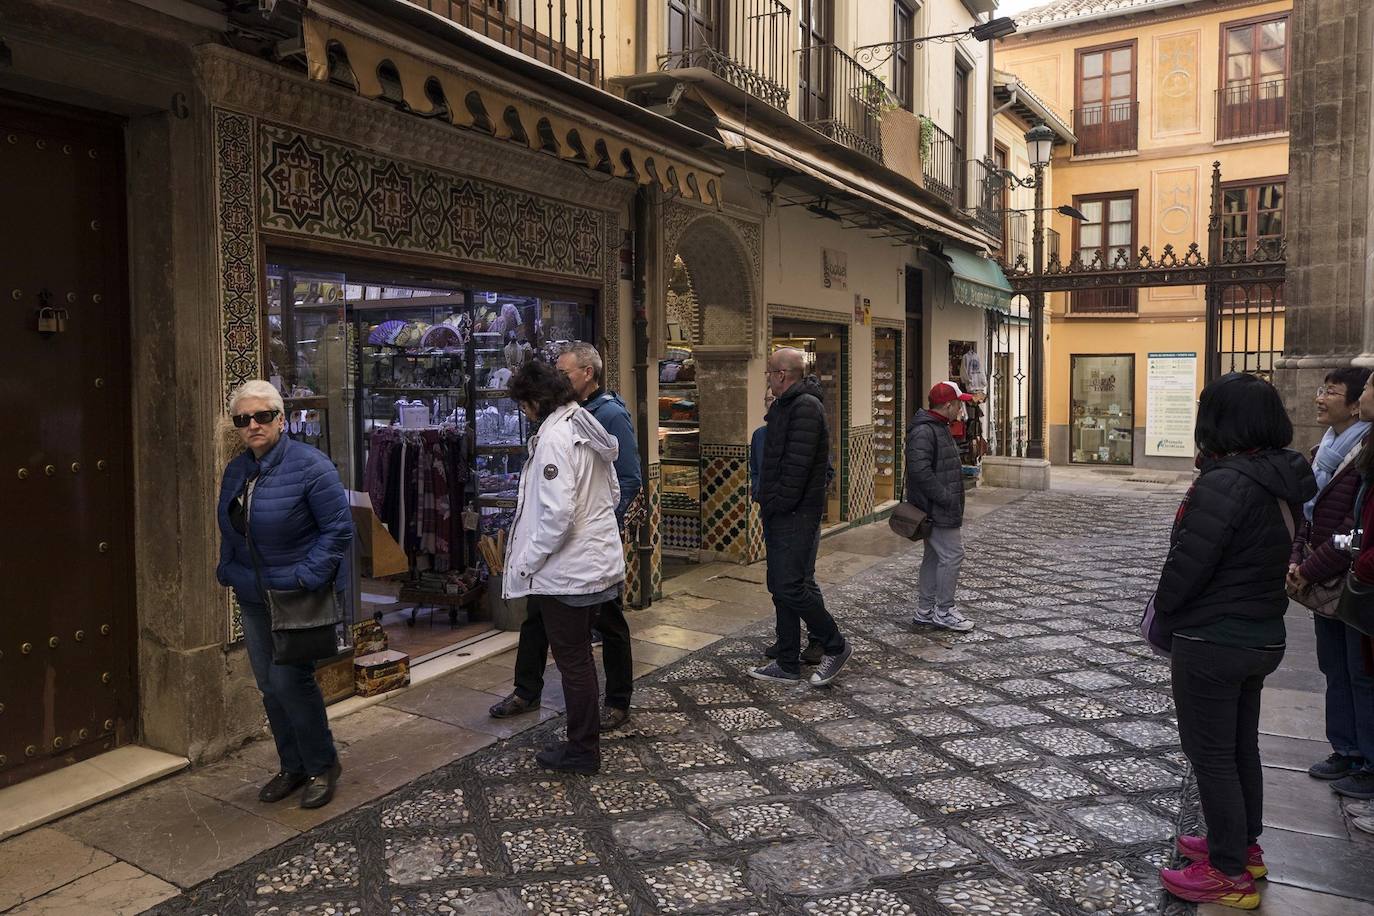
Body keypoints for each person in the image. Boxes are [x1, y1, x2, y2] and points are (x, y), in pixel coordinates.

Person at [1154, 372, 1316, 909]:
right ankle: (1242, 846)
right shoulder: (1283, 475)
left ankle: (1228, 872)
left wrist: (1166, 611)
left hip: (1214, 637)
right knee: (1240, 745)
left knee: (1212, 755)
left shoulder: (1225, 481)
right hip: (1260, 635)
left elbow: (1188, 565)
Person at [488, 344, 641, 732]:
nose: (561, 378)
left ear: (587, 373)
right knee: (539, 623)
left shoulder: (604, 416)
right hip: (563, 558)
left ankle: (613, 705)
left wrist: (599, 527)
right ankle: (527, 690)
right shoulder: (562, 422)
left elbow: (623, 481)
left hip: (580, 555)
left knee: (599, 633)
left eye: (566, 372)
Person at [216, 380, 352, 810]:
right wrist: (229, 569)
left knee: (291, 681)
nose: (253, 425)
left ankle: (321, 764)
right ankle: (291, 765)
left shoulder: (312, 466)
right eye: (243, 419)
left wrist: (305, 577)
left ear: (280, 419)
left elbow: (338, 530)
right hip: (254, 595)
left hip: (294, 594)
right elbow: (231, 527)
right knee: (269, 686)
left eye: (262, 416)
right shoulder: (238, 469)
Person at [1288, 369, 1373, 788]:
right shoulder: (1325, 449)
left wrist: (1308, 568)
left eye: (1331, 392)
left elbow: (1351, 529)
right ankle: (1345, 749)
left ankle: (1367, 760)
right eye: (1321, 390)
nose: (1320, 398)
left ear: (1355, 404)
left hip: (1350, 578)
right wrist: (1297, 556)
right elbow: (1312, 512)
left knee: (1360, 671)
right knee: (1334, 667)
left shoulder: (1363, 454)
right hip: (1323, 576)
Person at [749, 347, 852, 687]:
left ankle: (835, 645)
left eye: (769, 373)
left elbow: (797, 468)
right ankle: (787, 661)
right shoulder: (786, 406)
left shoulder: (806, 408)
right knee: (780, 586)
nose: (768, 378)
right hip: (781, 512)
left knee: (793, 586)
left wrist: (776, 503)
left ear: (782, 375)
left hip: (795, 514)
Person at [751, 389, 824, 666]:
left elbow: (823, 472)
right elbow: (756, 471)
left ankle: (821, 639)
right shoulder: (760, 436)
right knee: (778, 581)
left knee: (802, 579)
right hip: (773, 517)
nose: (773, 405)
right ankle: (787, 640)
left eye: (777, 400)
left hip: (801, 519)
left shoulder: (803, 431)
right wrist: (761, 492)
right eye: (769, 400)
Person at [905, 381, 975, 632]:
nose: (961, 409)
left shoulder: (939, 426)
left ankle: (925, 610)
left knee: (935, 557)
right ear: (948, 404)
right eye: (959, 404)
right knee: (952, 555)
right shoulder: (926, 431)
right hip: (937, 509)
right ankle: (943, 610)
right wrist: (946, 497)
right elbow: (920, 471)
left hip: (938, 507)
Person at [1337, 370, 1374, 815]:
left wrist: (1359, 561)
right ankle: (1355, 752)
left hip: (1361, 576)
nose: (1366, 391)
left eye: (1368, 387)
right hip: (1355, 571)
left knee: (1362, 676)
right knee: (1348, 671)